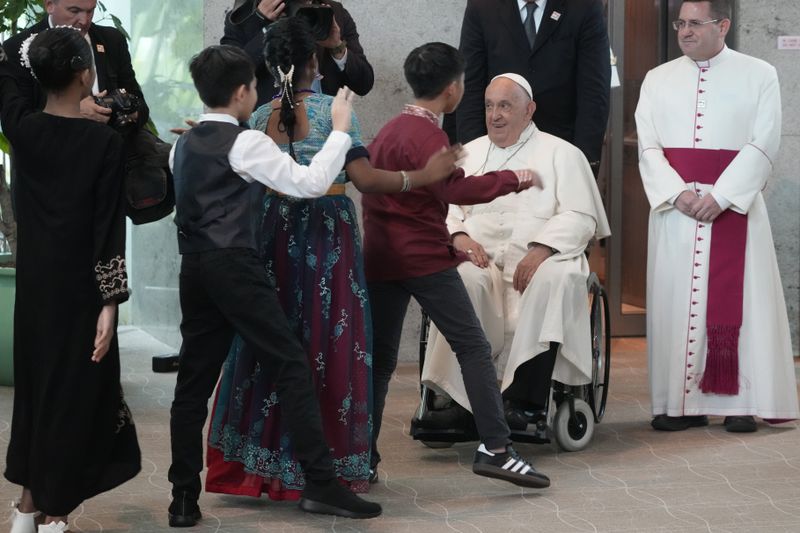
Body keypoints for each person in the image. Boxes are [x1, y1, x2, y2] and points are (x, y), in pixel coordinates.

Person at [204, 17, 460, 500]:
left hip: (273, 235)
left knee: (275, 344)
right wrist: (421, 176)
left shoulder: (258, 117)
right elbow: (365, 180)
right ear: (314, 62)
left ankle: (264, 465)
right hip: (327, 238)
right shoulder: (334, 111)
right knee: (329, 347)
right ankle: (327, 467)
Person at [166, 44, 383, 527]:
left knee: (193, 383)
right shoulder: (245, 143)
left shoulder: (183, 144)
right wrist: (342, 132)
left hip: (193, 268)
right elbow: (305, 184)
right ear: (244, 92)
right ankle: (322, 485)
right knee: (290, 365)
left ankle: (182, 498)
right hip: (236, 269)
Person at [363, 42, 551, 489]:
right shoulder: (430, 136)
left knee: (380, 361)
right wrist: (515, 178)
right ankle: (497, 449)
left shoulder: (389, 129)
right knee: (472, 346)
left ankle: (360, 455)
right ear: (453, 90)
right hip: (422, 258)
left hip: (380, 255)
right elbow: (457, 192)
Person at [635, 0, 799, 433]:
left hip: (735, 209)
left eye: (695, 23)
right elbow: (648, 146)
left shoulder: (759, 74)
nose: (685, 32)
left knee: (743, 303)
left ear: (723, 25)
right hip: (677, 211)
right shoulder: (656, 79)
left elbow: (764, 142)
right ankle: (678, 404)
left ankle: (741, 402)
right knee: (675, 304)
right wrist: (677, 194)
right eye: (680, 24)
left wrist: (723, 195)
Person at [1, 28, 140, 533]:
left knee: (39, 392)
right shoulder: (103, 142)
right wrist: (111, 301)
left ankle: (25, 508)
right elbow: (107, 229)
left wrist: (35, 35)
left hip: (36, 288)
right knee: (75, 396)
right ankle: (55, 514)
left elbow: (7, 81)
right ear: (86, 75)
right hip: (82, 292)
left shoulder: (22, 128)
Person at [420, 74, 610, 435]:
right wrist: (458, 236)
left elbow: (581, 215)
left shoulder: (563, 154)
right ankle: (456, 404)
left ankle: (525, 402)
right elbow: (441, 206)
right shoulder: (467, 153)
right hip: (482, 262)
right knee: (459, 277)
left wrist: (543, 248)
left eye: (505, 106)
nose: (495, 115)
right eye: (489, 106)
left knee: (559, 276)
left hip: (538, 263)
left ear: (530, 110)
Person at [455, 0, 610, 174]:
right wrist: (475, 161)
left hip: (561, 155)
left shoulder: (584, 6)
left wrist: (583, 165)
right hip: (495, 155)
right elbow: (470, 88)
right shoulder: (482, 6)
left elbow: (594, 93)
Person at [1, 0, 149, 129]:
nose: (84, 20)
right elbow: (17, 122)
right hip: (52, 155)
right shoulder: (17, 48)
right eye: (74, 11)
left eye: (90, 11)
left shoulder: (111, 40)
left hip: (115, 150)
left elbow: (141, 107)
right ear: (49, 5)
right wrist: (72, 112)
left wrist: (123, 109)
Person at [222, 0, 373, 108]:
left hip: (323, 128)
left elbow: (364, 84)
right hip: (267, 130)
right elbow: (229, 78)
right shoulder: (245, 17)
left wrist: (337, 47)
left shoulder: (333, 12)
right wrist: (264, 25)